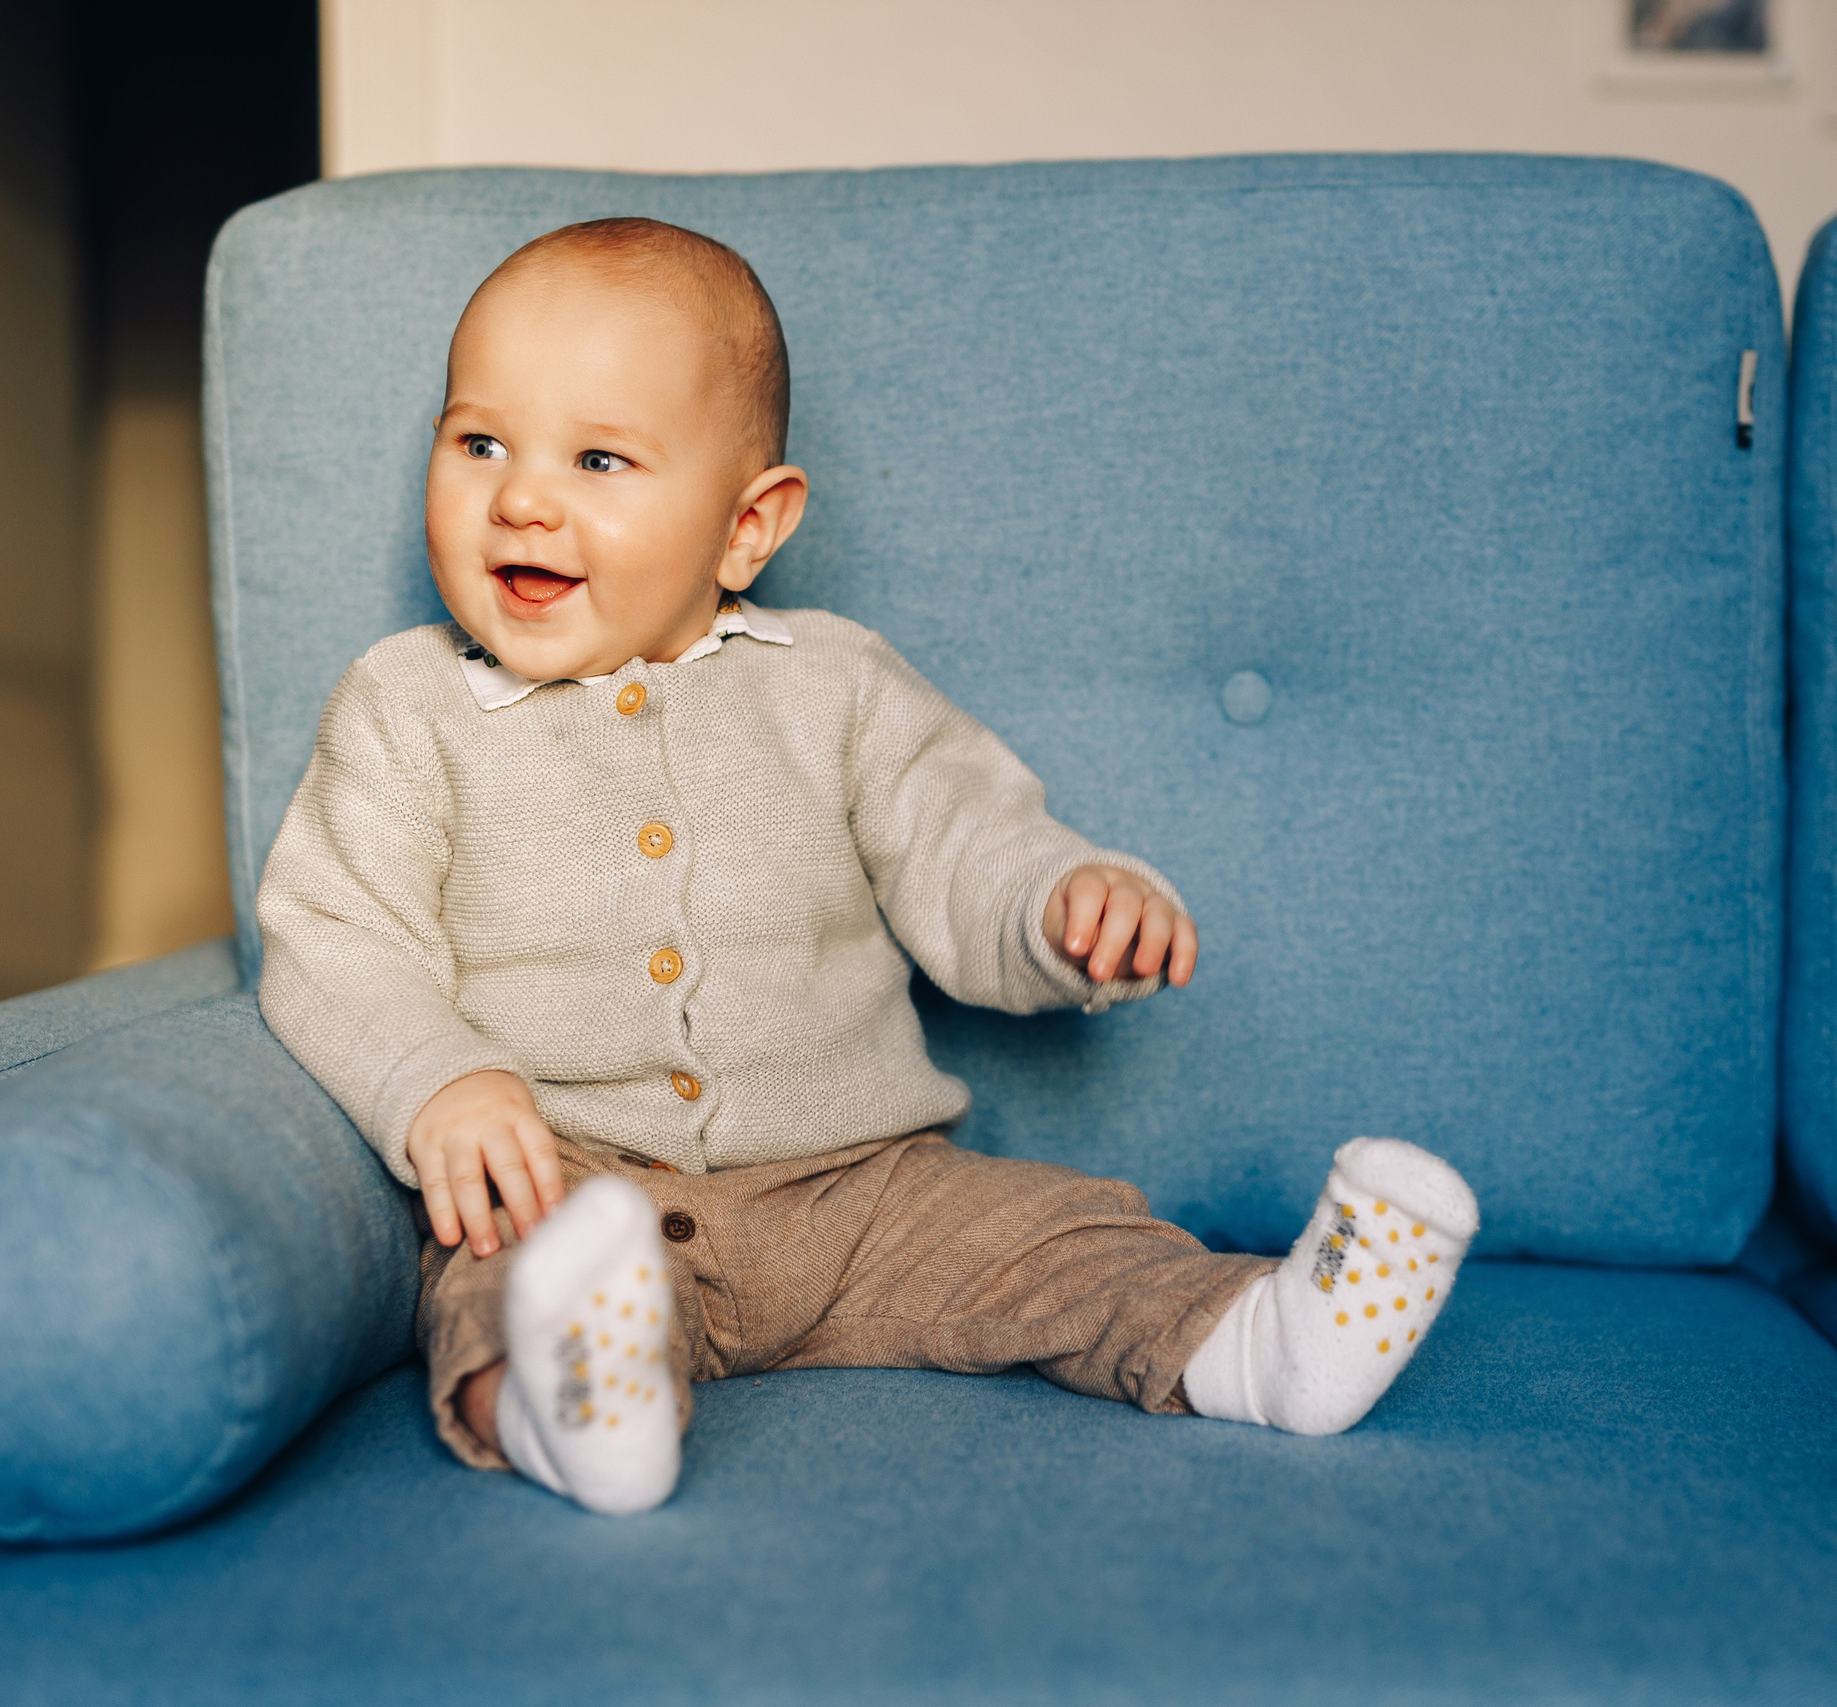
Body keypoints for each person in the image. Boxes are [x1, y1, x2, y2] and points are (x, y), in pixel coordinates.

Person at [255, 217, 1479, 1515]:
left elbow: (965, 844)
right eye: (479, 442)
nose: (522, 498)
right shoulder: (407, 705)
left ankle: (1261, 1340)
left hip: (869, 1198)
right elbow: (337, 937)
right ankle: (572, 1410)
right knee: (501, 1281)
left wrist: (1063, 905)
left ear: (747, 526)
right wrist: (438, 1083)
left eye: (599, 458)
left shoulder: (832, 684)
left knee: (1064, 1236)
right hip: (581, 1187)